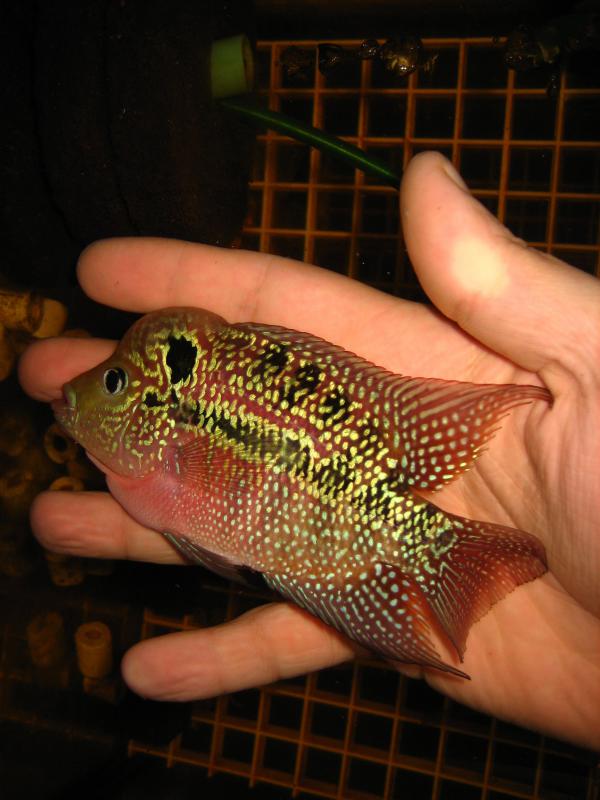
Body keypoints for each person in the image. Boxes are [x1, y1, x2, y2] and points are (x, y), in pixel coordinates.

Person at [19, 152, 600, 750]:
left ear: (154, 404)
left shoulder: (181, 423)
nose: (92, 390)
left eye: (115, 382)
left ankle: (449, 563)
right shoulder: (171, 426)